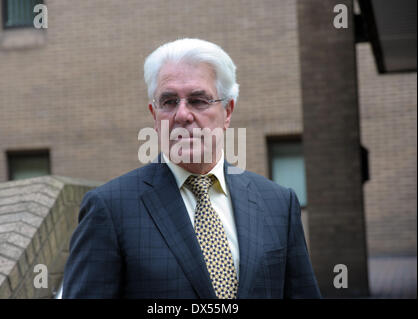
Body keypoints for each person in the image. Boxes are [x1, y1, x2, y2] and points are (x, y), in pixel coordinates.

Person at [62, 38, 321, 299]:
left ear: (227, 111)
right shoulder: (109, 209)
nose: (182, 115)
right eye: (169, 101)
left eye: (198, 100)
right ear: (154, 115)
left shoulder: (278, 204)